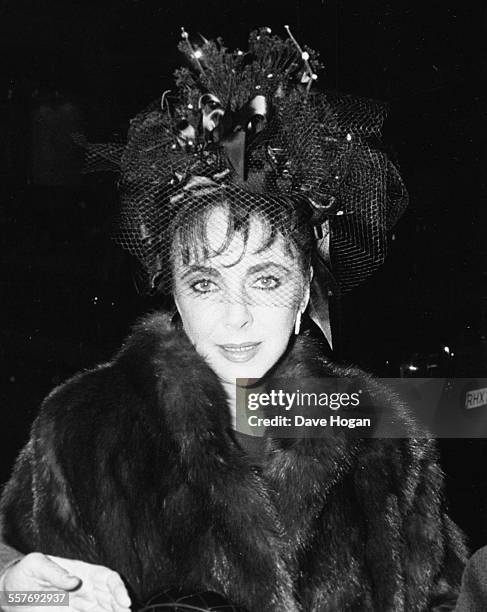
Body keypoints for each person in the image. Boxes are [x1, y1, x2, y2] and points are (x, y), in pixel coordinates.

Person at [0, 27, 468, 611]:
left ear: (305, 294)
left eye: (267, 279)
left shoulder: (384, 438)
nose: (237, 315)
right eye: (204, 282)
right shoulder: (82, 432)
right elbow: (20, 569)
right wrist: (16, 592)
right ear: (172, 290)